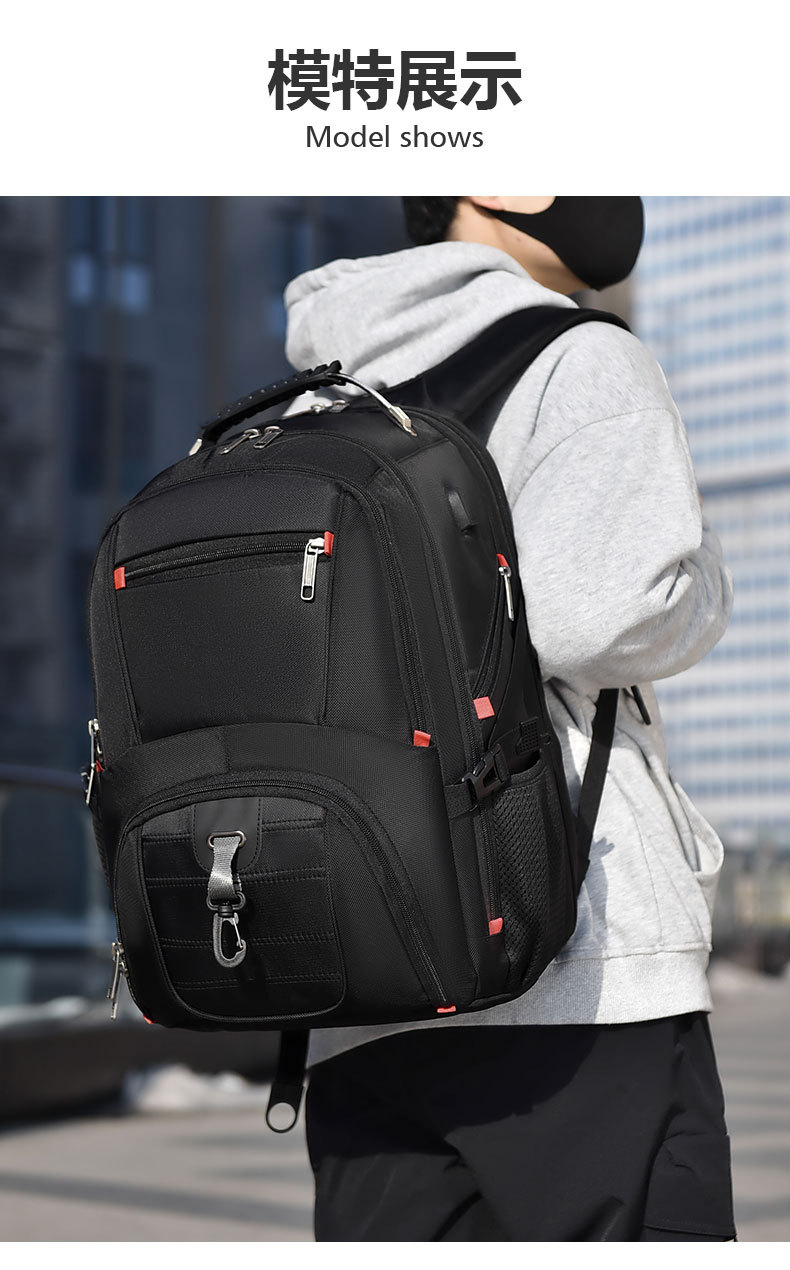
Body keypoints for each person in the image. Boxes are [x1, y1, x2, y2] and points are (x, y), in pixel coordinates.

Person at [282, 197, 737, 1242]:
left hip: (365, 981)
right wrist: (706, 580)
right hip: (572, 969)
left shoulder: (306, 401)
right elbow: (599, 616)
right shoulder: (578, 355)